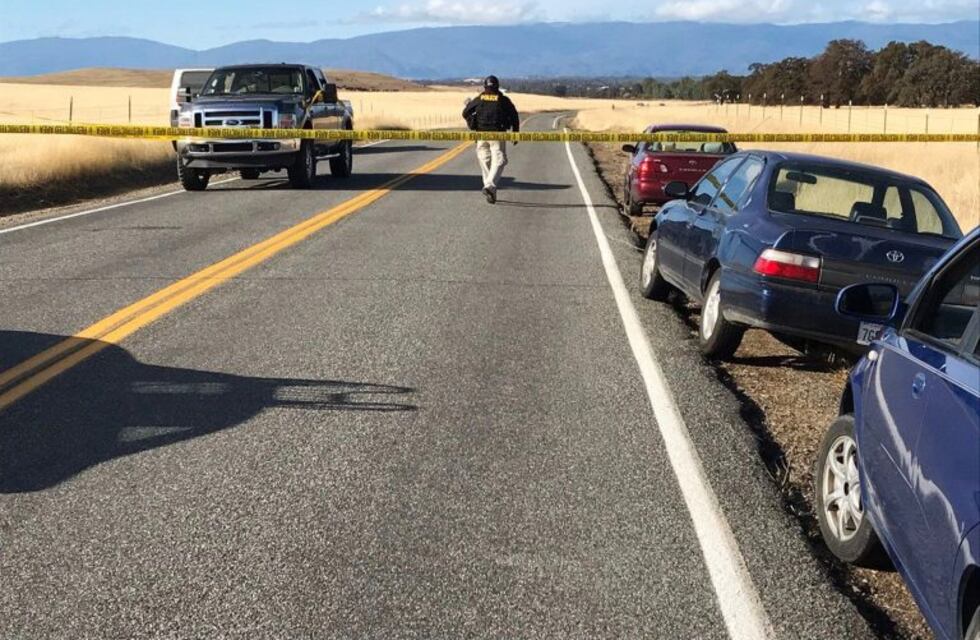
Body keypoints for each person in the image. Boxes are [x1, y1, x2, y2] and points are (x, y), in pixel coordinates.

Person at [462, 75, 520, 204]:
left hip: (481, 135)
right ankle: (490, 186)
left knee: (485, 161)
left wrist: (472, 122)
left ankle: (490, 188)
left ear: (485, 87)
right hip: (497, 135)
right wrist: (515, 133)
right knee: (499, 160)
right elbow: (514, 116)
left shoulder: (480, 99)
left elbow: (465, 112)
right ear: (497, 87)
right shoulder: (503, 100)